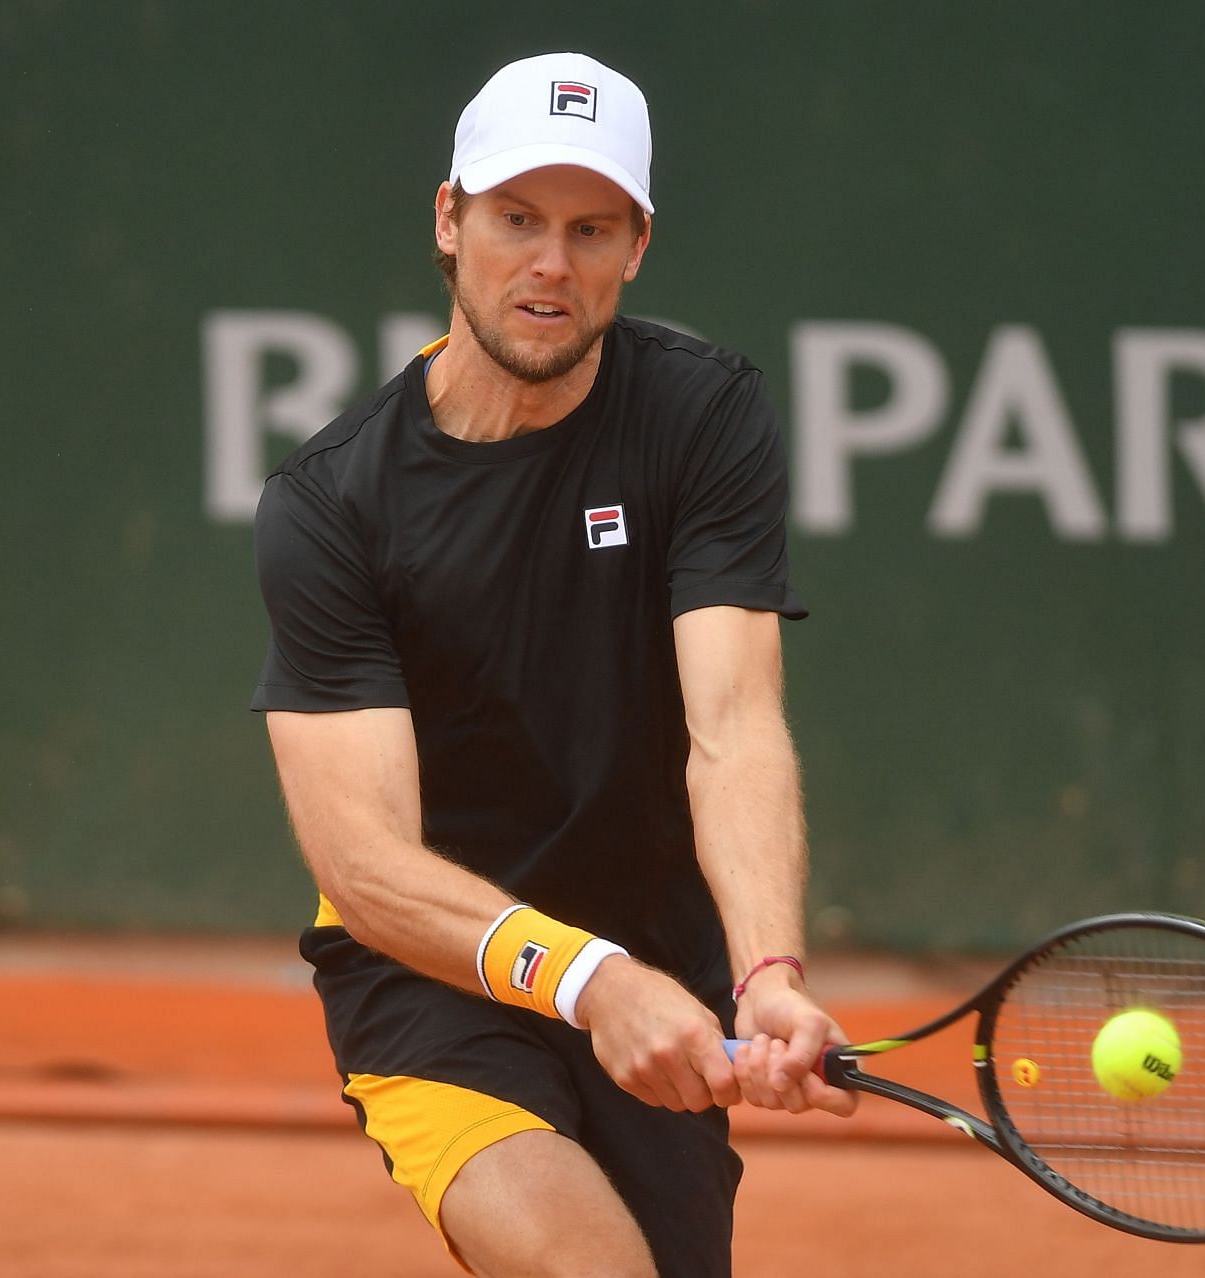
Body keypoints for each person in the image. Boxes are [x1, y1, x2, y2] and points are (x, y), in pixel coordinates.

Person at [251, 50, 855, 1278]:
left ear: (637, 245)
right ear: (449, 219)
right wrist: (589, 980)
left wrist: (769, 972)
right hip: (436, 973)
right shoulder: (332, 505)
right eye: (516, 219)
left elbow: (733, 726)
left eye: (591, 229)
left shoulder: (701, 416)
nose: (549, 263)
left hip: (658, 963)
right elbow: (364, 864)